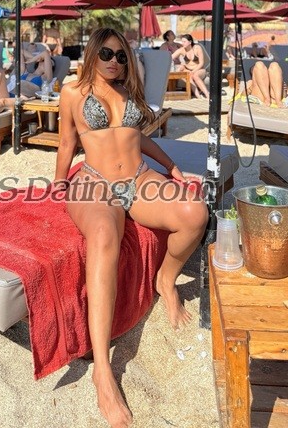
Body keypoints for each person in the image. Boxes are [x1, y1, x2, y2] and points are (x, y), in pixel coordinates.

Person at [54, 28, 208, 427]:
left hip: (139, 178)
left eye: (122, 56)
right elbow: (67, 143)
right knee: (105, 235)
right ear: (93, 53)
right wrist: (58, 184)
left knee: (195, 213)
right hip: (94, 180)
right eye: (107, 53)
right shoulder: (72, 92)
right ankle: (103, 370)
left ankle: (166, 281)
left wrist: (171, 166)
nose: (114, 61)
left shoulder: (127, 92)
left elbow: (137, 137)